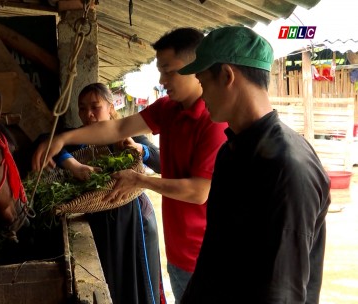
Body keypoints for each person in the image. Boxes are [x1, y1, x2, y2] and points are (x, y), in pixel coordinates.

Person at [33, 28, 228, 302]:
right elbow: (119, 126)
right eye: (160, 70)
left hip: (205, 256)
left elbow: (199, 192)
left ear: (197, 67)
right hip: (177, 250)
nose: (162, 79)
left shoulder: (213, 121)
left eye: (168, 70)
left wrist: (141, 180)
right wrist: (64, 138)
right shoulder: (168, 109)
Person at [177, 26, 331, 303]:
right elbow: (214, 251)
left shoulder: (288, 166)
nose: (202, 97)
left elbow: (281, 291)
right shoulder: (231, 151)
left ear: (226, 76)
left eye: (203, 83)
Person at [42, 82, 163, 304]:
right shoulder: (76, 137)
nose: (88, 114)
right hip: (97, 217)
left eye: (95, 107)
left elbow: (161, 162)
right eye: (82, 108)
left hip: (132, 219)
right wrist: (74, 166)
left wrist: (141, 150)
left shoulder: (128, 135)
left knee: (137, 281)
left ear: (111, 107)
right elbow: (51, 144)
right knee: (109, 278)